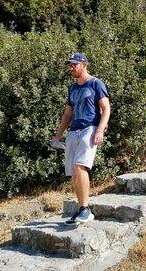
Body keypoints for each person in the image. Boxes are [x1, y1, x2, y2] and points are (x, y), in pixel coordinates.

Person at [51, 52, 111, 225]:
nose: (71, 68)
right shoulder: (73, 88)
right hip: (73, 131)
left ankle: (85, 209)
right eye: (70, 65)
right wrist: (58, 135)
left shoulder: (95, 83)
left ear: (84, 65)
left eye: (74, 64)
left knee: (80, 167)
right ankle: (80, 210)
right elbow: (68, 113)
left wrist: (100, 130)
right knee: (74, 173)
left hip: (89, 129)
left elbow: (106, 108)